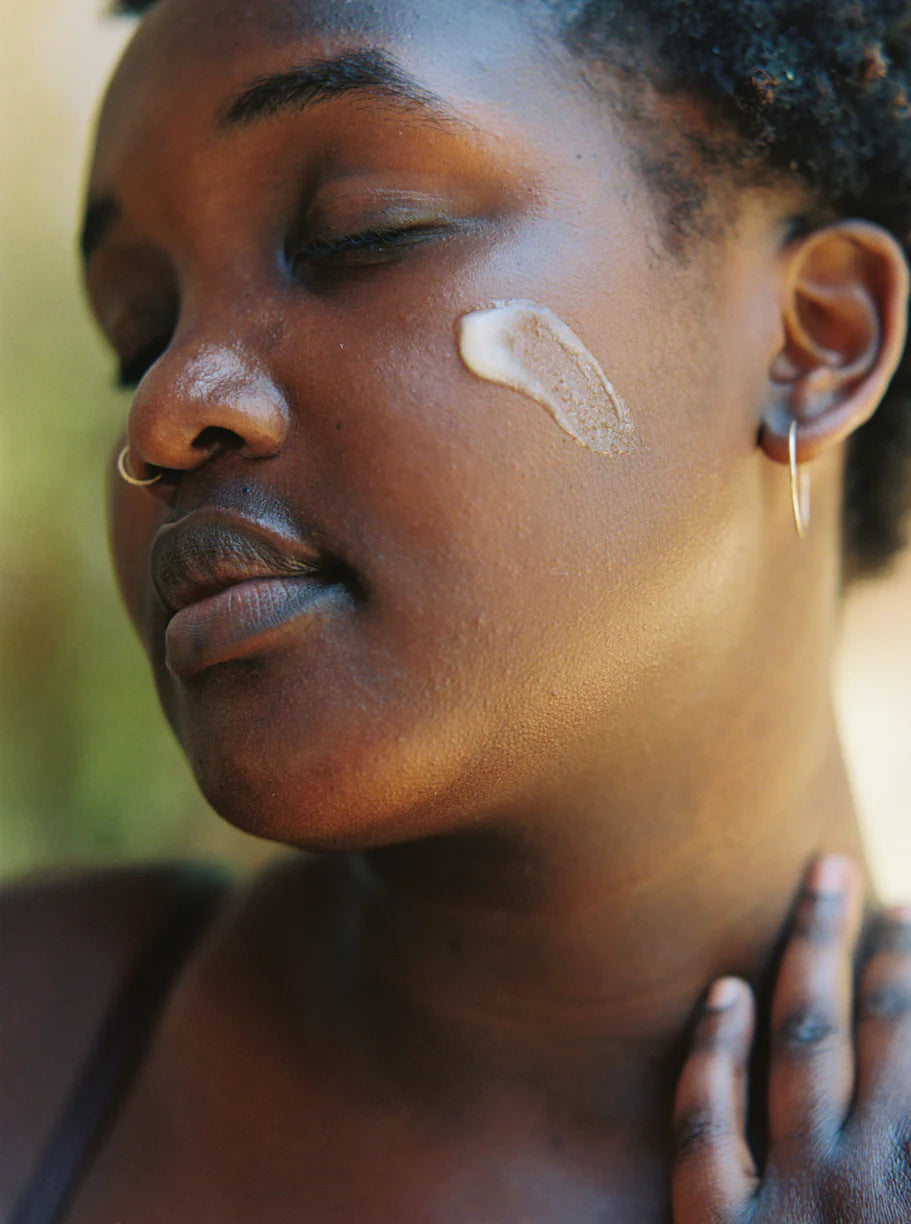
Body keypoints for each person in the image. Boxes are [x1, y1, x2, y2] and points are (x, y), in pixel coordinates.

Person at [3, 0, 911, 1219]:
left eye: (361, 233)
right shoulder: (40, 1042)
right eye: (138, 328)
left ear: (817, 339)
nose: (166, 409)